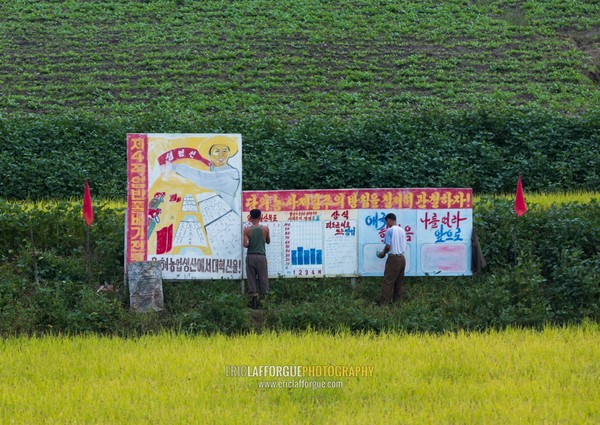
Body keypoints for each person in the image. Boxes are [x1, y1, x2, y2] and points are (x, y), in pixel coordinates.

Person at [170, 137, 241, 213]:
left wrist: (176, 167)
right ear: (209, 155)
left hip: (226, 217)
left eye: (224, 151)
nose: (221, 155)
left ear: (229, 153)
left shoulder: (232, 173)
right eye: (217, 151)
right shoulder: (209, 168)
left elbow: (203, 178)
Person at [376, 213, 407, 305]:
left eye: (387, 222)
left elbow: (388, 246)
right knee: (399, 282)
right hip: (402, 258)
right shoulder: (402, 230)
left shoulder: (389, 231)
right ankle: (397, 303)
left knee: (388, 282)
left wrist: (383, 253)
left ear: (389, 220)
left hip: (393, 259)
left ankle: (384, 304)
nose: (387, 224)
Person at [243, 209, 271, 309]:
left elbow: (245, 244)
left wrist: (251, 244)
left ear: (250, 217)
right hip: (261, 257)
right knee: (263, 277)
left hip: (250, 256)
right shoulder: (265, 229)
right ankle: (265, 300)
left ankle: (254, 300)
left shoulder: (247, 230)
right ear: (260, 217)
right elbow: (268, 241)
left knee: (251, 278)